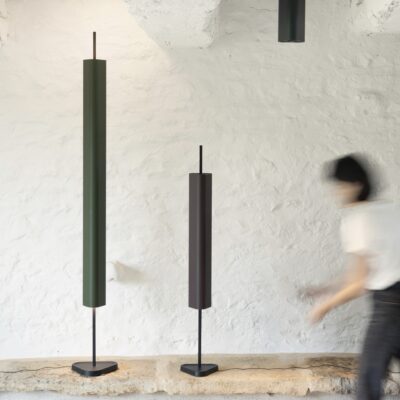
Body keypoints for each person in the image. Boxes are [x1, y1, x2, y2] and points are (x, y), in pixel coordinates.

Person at [306, 154, 400, 400]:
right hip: (394, 298)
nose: (337, 192)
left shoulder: (358, 219)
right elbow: (372, 268)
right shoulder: (390, 209)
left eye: (341, 185)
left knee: (368, 382)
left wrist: (324, 306)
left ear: (357, 184)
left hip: (389, 305)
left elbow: (360, 283)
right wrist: (328, 287)